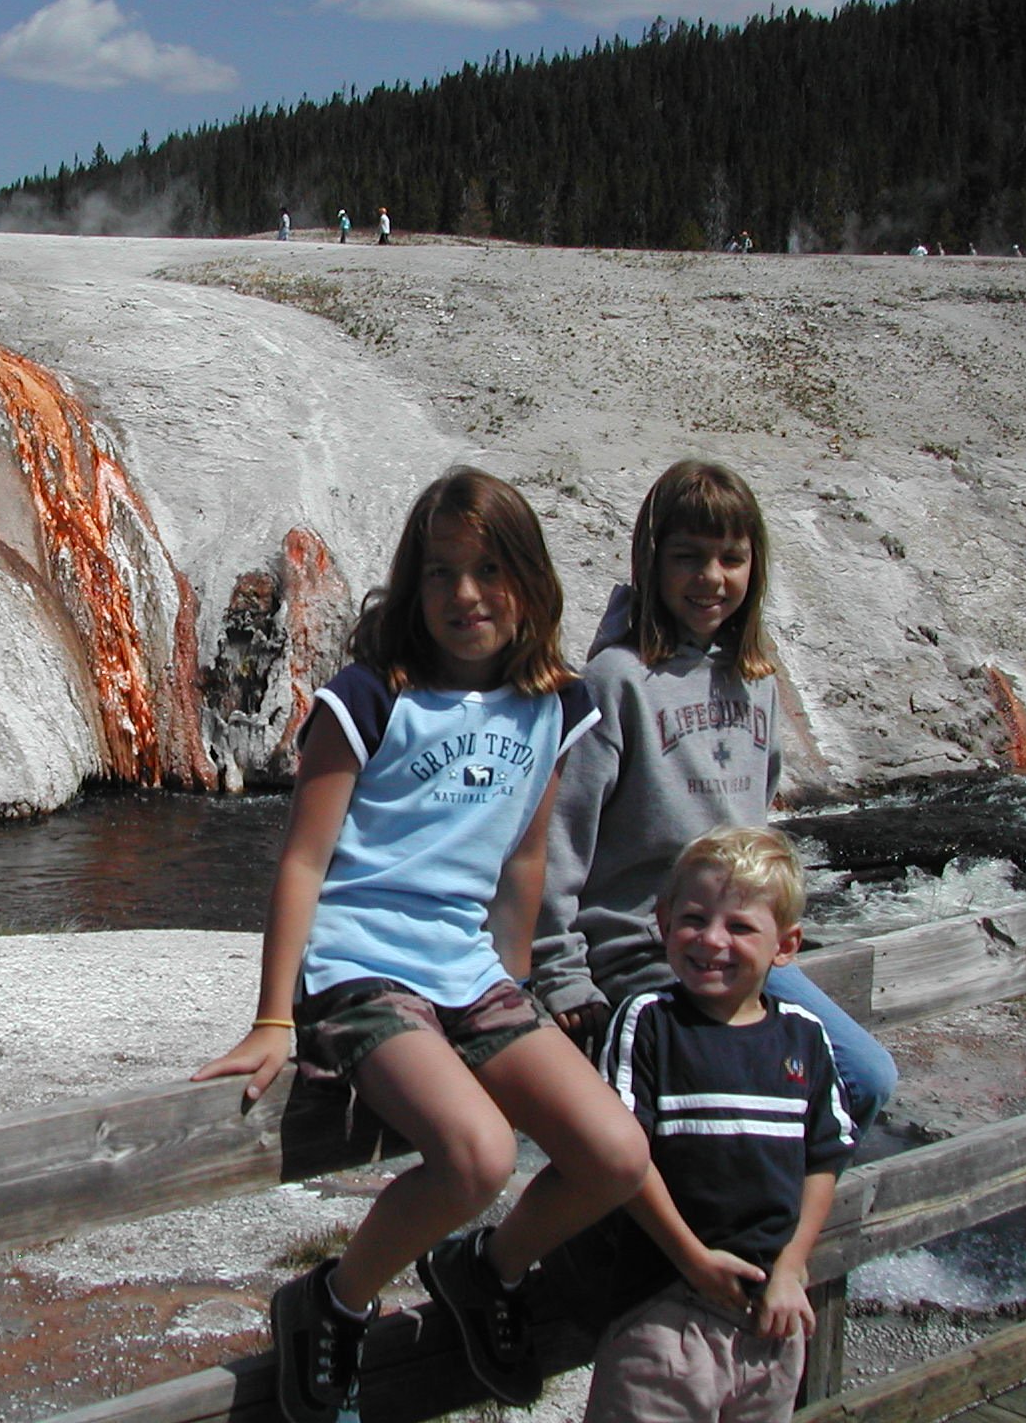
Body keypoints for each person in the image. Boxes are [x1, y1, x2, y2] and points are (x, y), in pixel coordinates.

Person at [196, 467, 650, 1423]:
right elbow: (303, 866)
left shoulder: (555, 706)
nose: (466, 594)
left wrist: (517, 996)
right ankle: (334, 1299)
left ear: (529, 581)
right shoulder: (369, 698)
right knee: (478, 1155)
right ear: (413, 585)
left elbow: (525, 866)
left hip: (469, 966)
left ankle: (485, 1268)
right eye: (441, 573)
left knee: (615, 1150)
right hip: (359, 962)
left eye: (489, 569)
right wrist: (275, 1015)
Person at [531, 460, 896, 1130]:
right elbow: (559, 839)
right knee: (710, 1109)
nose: (712, 578)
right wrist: (559, 973)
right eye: (689, 558)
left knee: (864, 1076)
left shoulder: (753, 677)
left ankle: (769, 1233)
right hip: (647, 955)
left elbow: (757, 826)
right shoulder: (617, 681)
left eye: (731, 558)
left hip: (743, 953)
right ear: (651, 561)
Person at [579, 826, 855, 1423]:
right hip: (663, 1305)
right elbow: (624, 1157)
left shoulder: (804, 1036)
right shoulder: (648, 1022)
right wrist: (692, 1260)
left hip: (771, 1313)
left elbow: (825, 1157)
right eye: (695, 919)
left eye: (739, 927)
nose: (711, 941)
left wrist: (793, 1265)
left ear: (786, 945)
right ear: (662, 920)